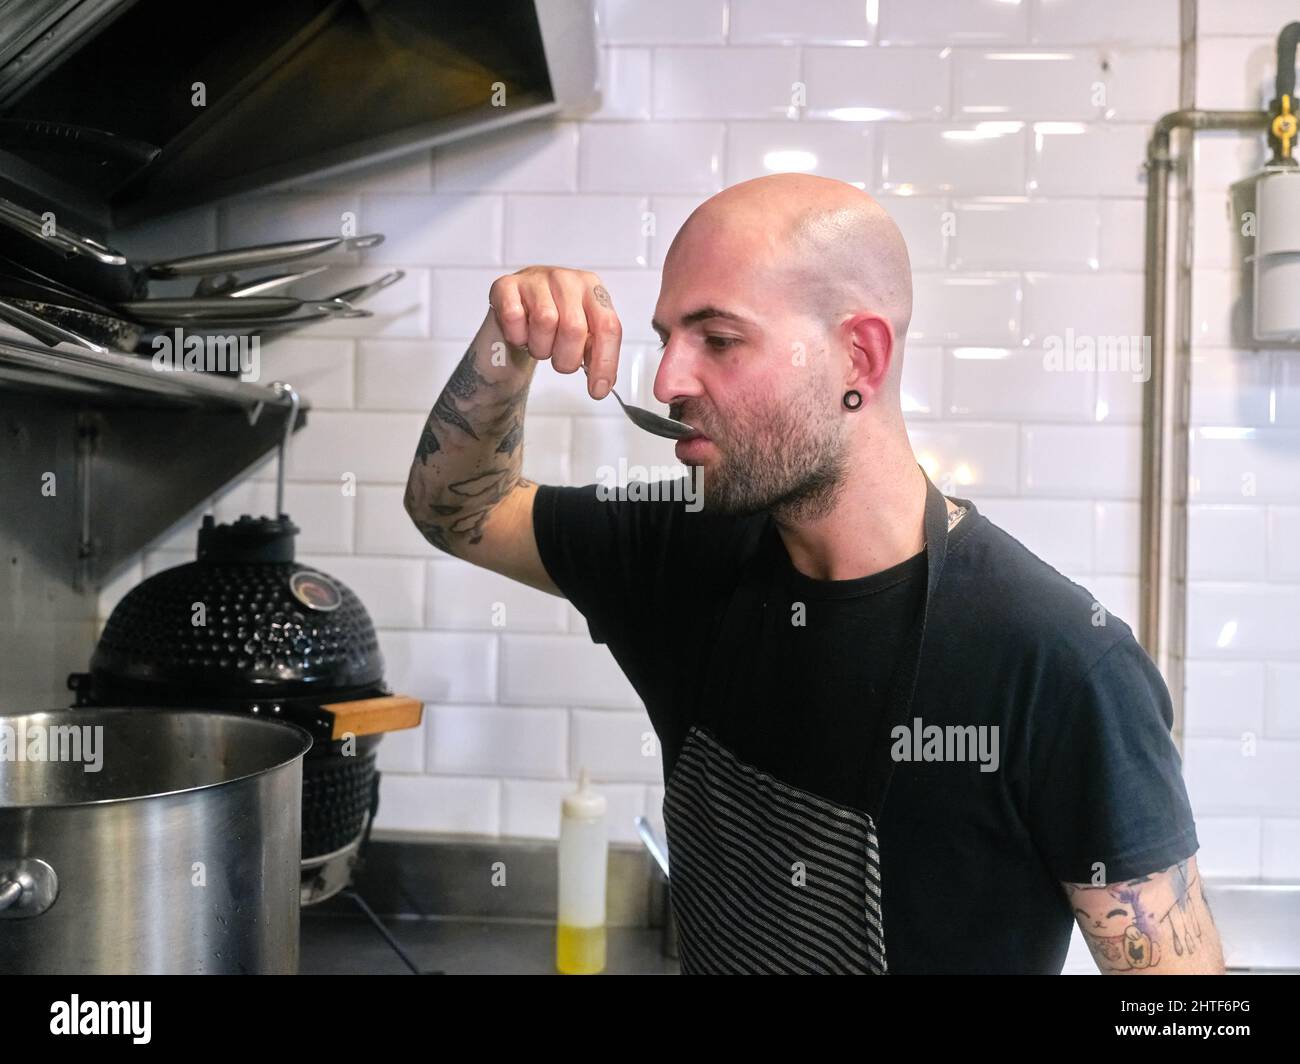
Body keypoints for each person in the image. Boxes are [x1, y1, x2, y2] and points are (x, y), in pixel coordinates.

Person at [403, 172, 1224, 974]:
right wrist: (507, 347)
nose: (667, 382)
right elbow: (456, 512)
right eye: (667, 339)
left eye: (718, 340)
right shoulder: (677, 547)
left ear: (858, 357)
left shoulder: (1058, 663)